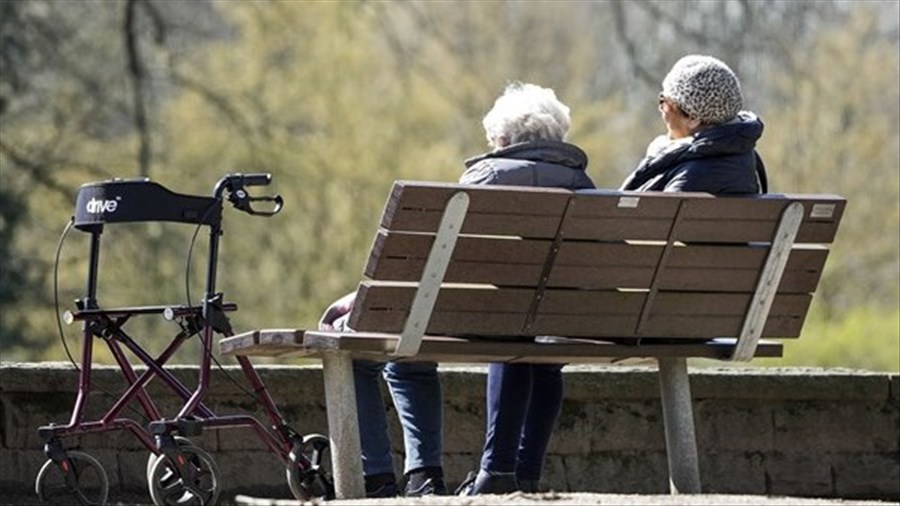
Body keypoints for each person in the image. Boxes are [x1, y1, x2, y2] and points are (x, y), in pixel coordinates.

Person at [456, 82, 596, 495]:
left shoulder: (486, 176)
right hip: (563, 320)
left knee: (510, 328)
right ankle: (527, 471)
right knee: (542, 351)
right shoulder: (585, 186)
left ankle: (497, 470)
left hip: (488, 316)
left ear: (502, 139)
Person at [318, 293, 446, 497]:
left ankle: (376, 476)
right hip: (467, 318)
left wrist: (348, 303)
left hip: (410, 303)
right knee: (410, 361)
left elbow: (402, 278)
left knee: (354, 358)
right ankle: (425, 477)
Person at [620, 54, 767, 194]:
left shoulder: (689, 176)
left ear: (693, 118)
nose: (661, 110)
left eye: (664, 102)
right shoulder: (743, 159)